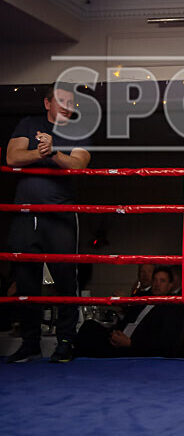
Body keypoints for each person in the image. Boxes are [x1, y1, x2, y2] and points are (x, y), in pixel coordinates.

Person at [5, 85, 91, 364]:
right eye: (61, 100)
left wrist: (53, 152)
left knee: (66, 277)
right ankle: (30, 341)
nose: (67, 105)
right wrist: (41, 152)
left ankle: (66, 340)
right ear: (47, 103)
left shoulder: (79, 130)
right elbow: (12, 156)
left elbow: (78, 165)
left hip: (61, 214)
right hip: (25, 214)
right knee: (25, 279)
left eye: (71, 101)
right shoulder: (28, 124)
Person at [75, 267, 184, 358]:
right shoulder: (141, 299)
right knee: (89, 326)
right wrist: (115, 333)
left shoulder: (172, 308)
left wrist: (130, 343)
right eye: (155, 280)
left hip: (136, 349)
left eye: (162, 281)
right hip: (120, 338)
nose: (157, 284)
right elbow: (127, 319)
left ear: (170, 285)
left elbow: (163, 343)